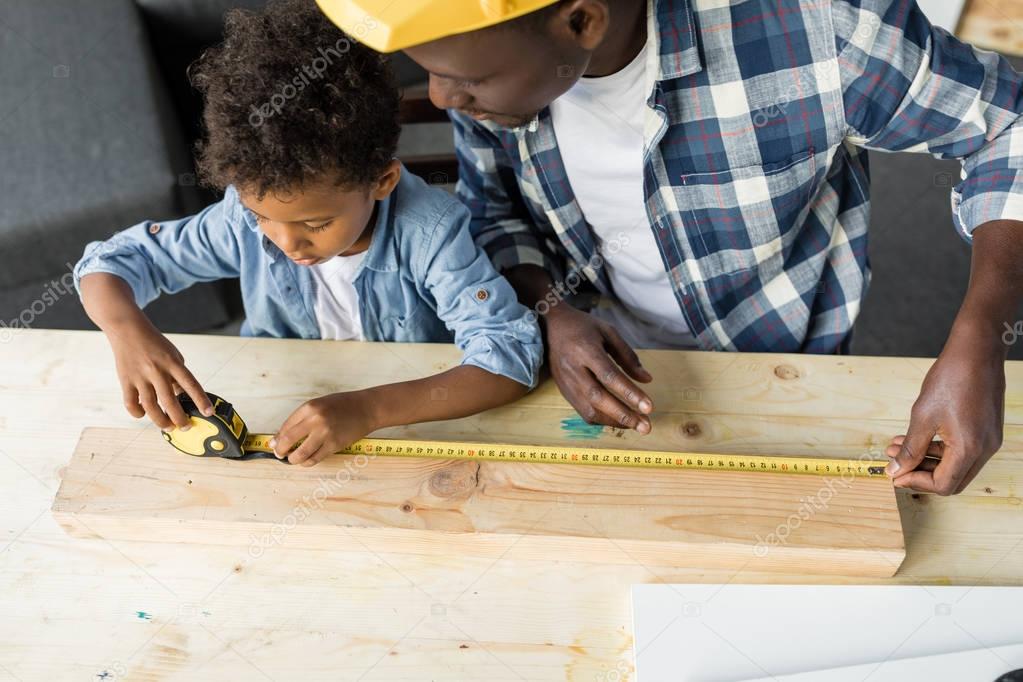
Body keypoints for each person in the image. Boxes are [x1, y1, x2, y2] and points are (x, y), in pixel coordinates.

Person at [317, 0, 1023, 494]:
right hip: (578, 372)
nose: (442, 100)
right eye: (431, 73)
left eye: (465, 80)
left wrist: (978, 337)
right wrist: (550, 314)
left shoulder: (821, 28)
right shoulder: (494, 80)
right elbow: (494, 208)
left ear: (580, 20)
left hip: (785, 363)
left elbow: (1007, 129)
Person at [73, 0, 542, 467]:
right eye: (262, 217)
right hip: (279, 398)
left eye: (316, 224)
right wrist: (125, 330)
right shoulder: (241, 217)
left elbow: (510, 356)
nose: (286, 243)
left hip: (412, 424)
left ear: (382, 181)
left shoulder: (431, 232)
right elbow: (112, 262)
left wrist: (369, 408)